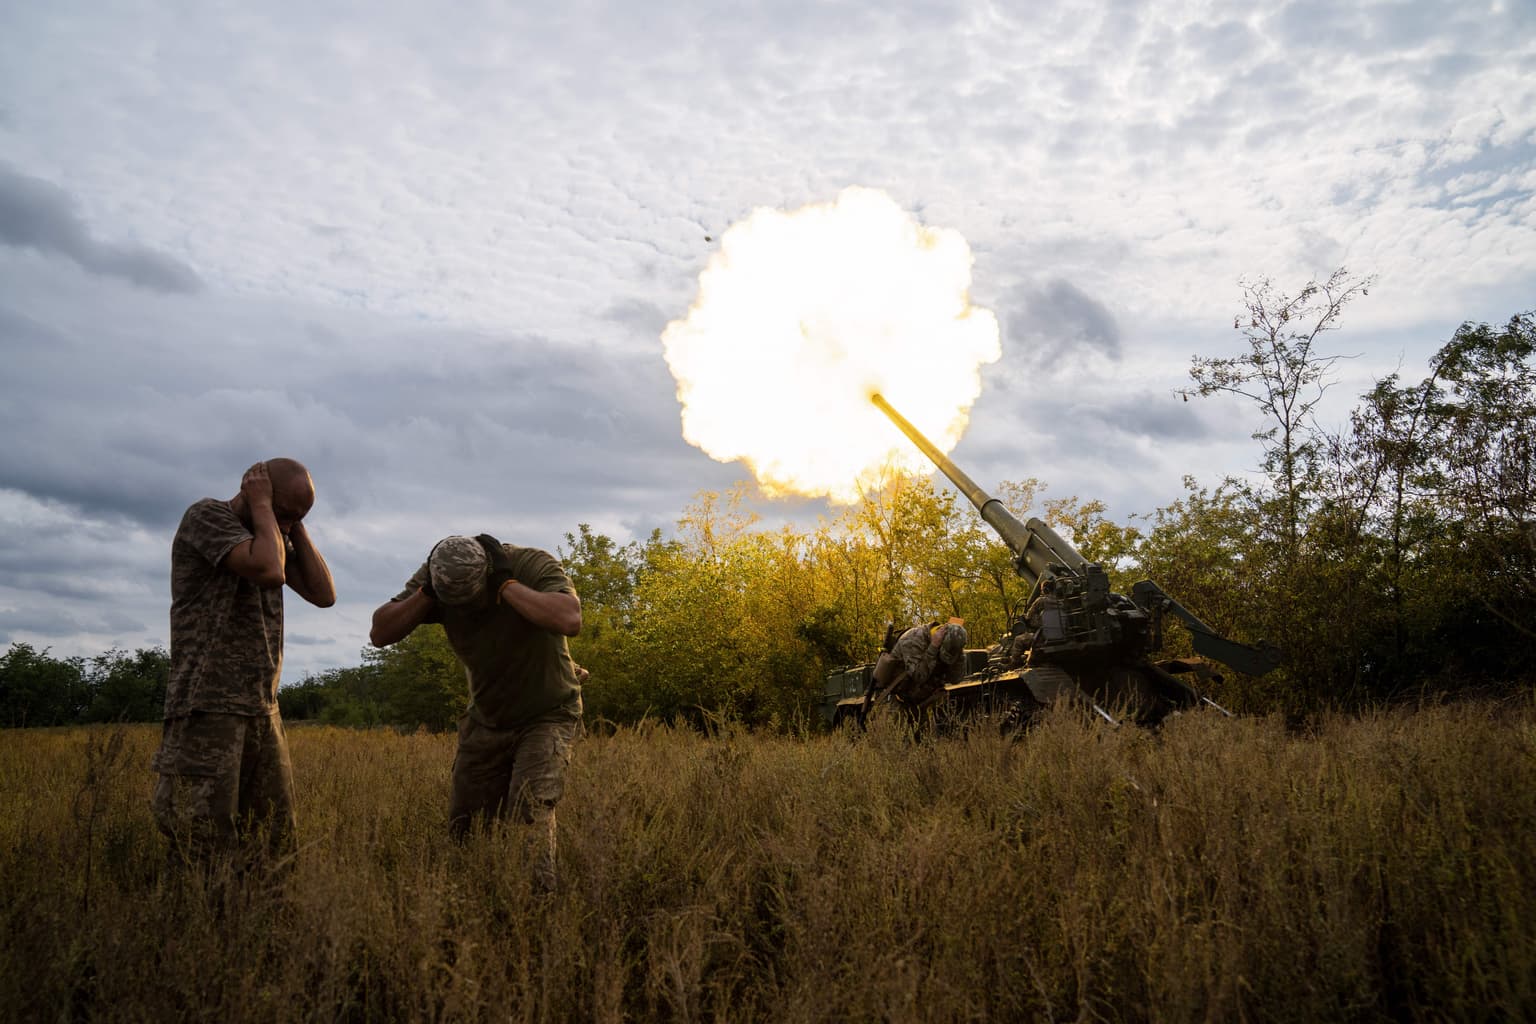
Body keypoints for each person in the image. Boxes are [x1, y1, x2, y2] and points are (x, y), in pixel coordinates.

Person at [369, 533, 583, 894]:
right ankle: (475, 908)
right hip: (486, 719)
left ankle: (538, 915)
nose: (465, 611)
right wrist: (427, 595)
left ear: (487, 574)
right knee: (466, 828)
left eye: (472, 599)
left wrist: (508, 586)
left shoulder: (530, 565)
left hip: (547, 712)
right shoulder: (437, 576)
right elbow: (380, 632)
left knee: (530, 814)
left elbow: (569, 619)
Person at [150, 459, 336, 872]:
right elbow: (268, 570)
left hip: (261, 709)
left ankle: (258, 930)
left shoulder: (273, 534)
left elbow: (324, 595)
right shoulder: (207, 517)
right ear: (257, 493)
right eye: (284, 513)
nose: (286, 525)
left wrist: (294, 526)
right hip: (206, 707)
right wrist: (267, 510)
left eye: (298, 517)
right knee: (200, 844)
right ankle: (195, 929)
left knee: (272, 841)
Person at [870, 619, 969, 713]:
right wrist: (933, 647)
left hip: (921, 700)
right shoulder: (913, 640)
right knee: (896, 728)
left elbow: (956, 679)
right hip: (895, 698)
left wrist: (960, 656)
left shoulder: (953, 646)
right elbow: (918, 676)